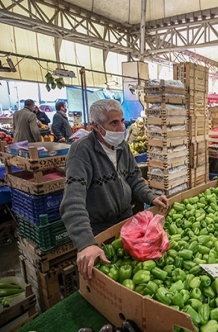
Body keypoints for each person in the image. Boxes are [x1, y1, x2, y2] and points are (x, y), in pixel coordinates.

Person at [60, 99, 169, 281]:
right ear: (96, 126)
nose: (121, 128)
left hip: (127, 224)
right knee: (106, 278)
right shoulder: (81, 152)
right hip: (99, 230)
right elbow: (72, 201)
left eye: (122, 121)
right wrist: (86, 243)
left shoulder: (122, 147)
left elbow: (134, 178)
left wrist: (151, 197)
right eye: (113, 123)